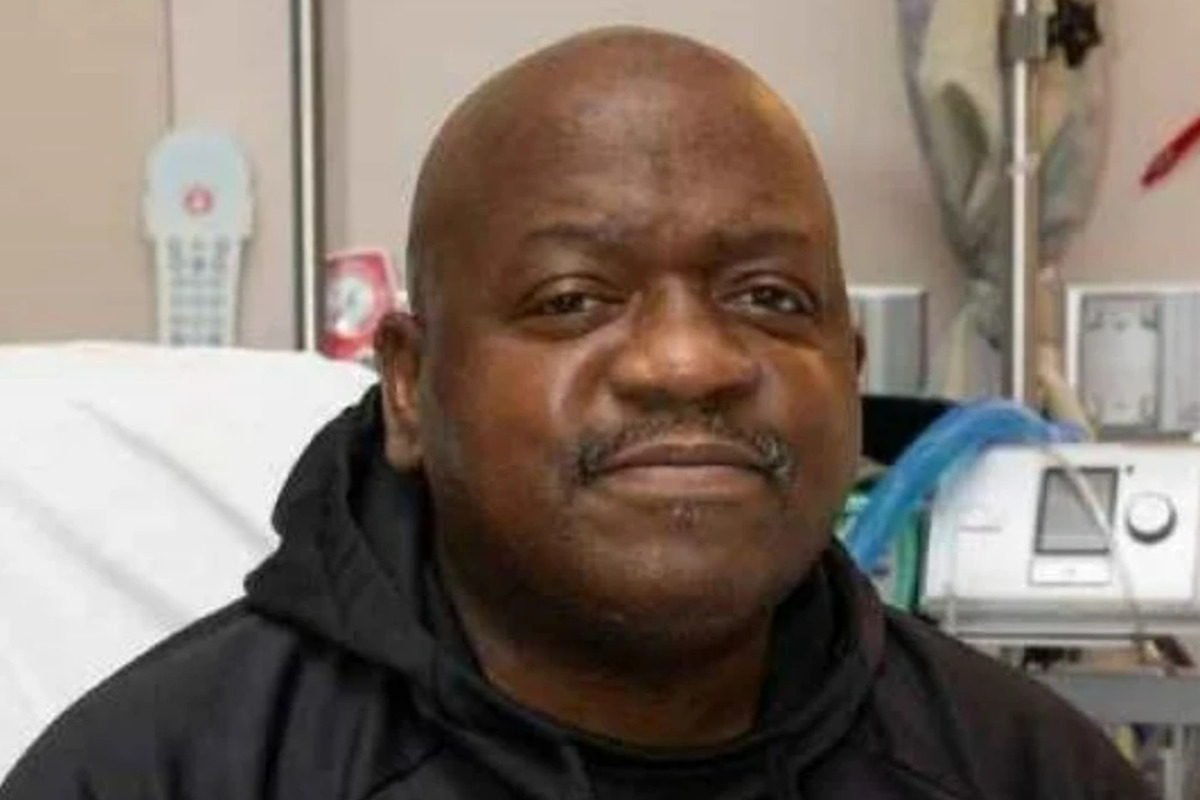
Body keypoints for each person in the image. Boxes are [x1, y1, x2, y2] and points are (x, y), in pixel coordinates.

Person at [1, 27, 1152, 800]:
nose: (688, 360)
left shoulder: (1028, 771)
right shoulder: (158, 771)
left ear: (847, 370)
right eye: (572, 299)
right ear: (408, 384)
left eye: (768, 297)